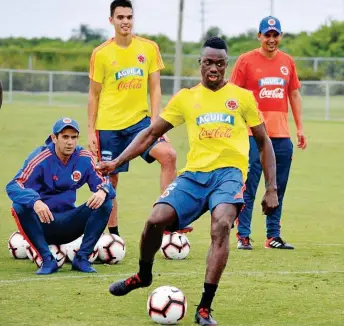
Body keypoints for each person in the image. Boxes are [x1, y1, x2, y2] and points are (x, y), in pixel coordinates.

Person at [97, 37, 279, 326]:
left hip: (229, 175)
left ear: (226, 65)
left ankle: (204, 308)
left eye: (220, 63)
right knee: (156, 220)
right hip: (194, 176)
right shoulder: (185, 98)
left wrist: (271, 188)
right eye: (209, 62)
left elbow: (263, 142)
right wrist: (117, 161)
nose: (214, 68)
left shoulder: (242, 98)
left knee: (221, 224)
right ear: (201, 63)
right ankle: (143, 276)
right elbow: (149, 134)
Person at [87, 0, 179, 236]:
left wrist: (158, 123)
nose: (125, 21)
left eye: (129, 17)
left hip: (141, 124)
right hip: (109, 127)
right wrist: (90, 132)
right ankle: (113, 237)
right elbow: (94, 95)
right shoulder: (101, 54)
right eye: (120, 17)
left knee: (168, 155)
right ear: (111, 21)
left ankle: (165, 223)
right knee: (111, 180)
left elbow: (156, 88)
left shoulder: (148, 48)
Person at [230, 16, 307, 250]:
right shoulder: (245, 61)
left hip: (281, 136)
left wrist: (300, 127)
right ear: (259, 36)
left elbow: (293, 94)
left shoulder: (288, 62)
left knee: (277, 187)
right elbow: (233, 96)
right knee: (249, 187)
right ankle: (243, 235)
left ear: (280, 36)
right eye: (267, 35)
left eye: (275, 35)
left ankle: (273, 236)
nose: (271, 39)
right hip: (254, 135)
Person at [6, 118, 115, 275]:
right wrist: (35, 201)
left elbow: (105, 182)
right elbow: (13, 185)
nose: (70, 142)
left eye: (74, 137)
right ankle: (47, 260)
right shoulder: (40, 157)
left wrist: (103, 190)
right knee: (19, 206)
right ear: (54, 138)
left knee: (105, 202)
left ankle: (82, 259)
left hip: (69, 223)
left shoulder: (84, 157)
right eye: (65, 137)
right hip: (43, 225)